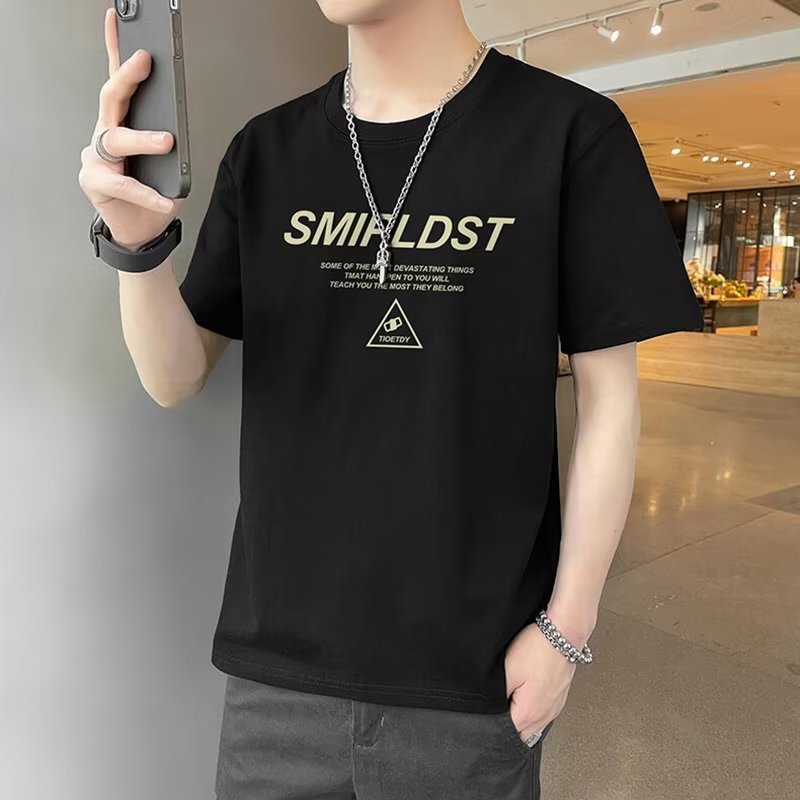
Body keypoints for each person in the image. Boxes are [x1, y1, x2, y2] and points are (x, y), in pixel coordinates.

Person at [78, 1, 704, 798]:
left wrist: (565, 633)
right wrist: (135, 247)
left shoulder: (569, 133)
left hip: (475, 680)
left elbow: (610, 401)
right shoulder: (266, 151)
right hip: (276, 683)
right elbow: (175, 377)